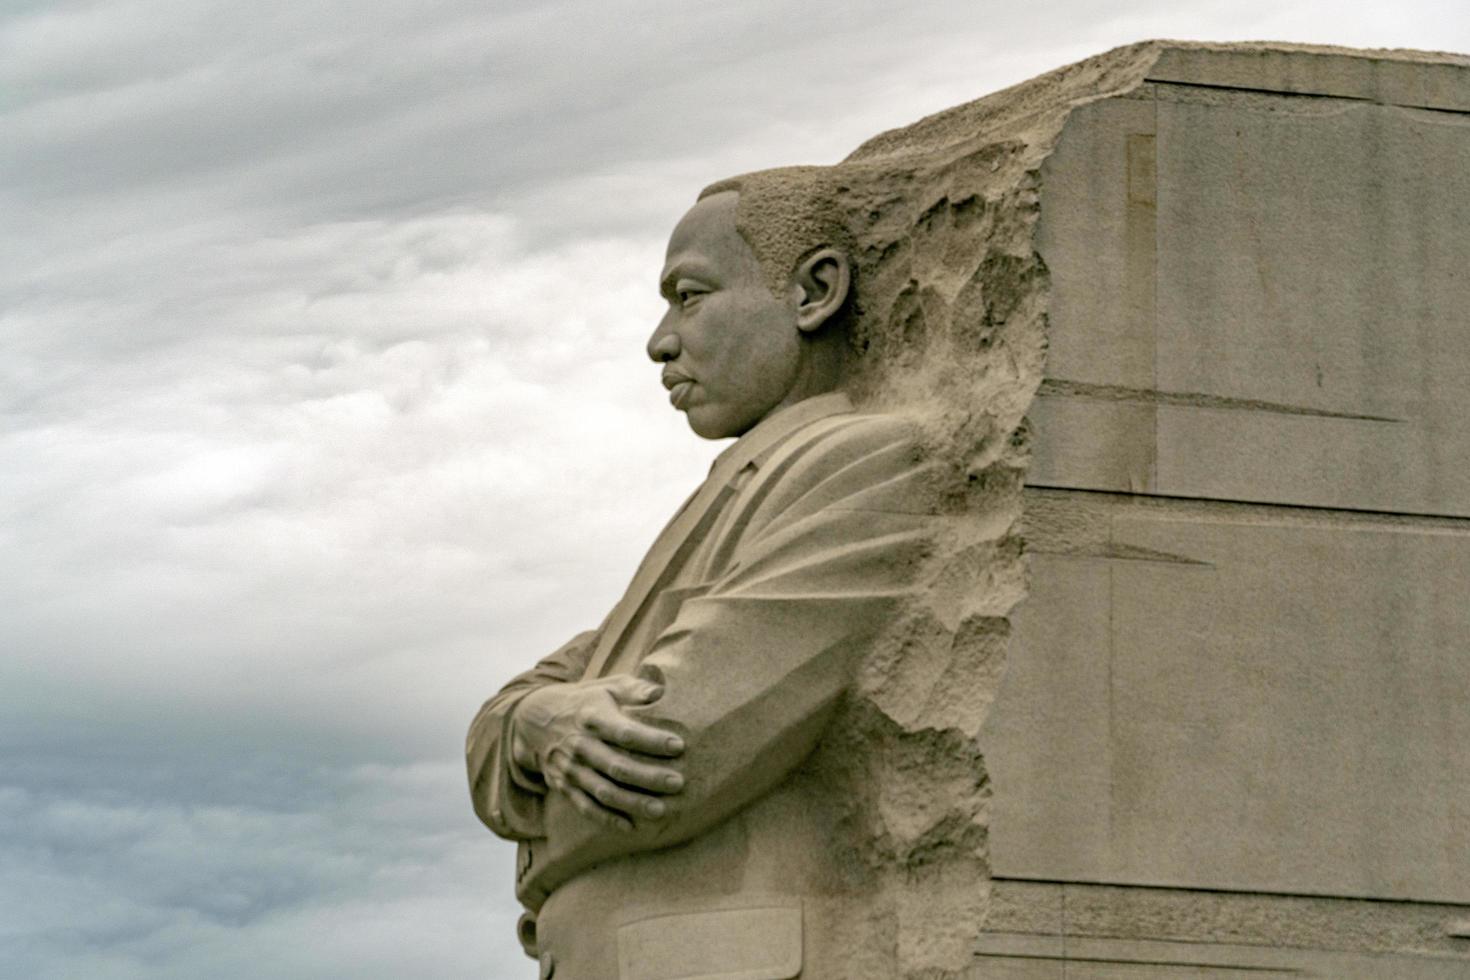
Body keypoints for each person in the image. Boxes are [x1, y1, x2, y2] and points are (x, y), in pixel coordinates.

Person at [467, 171, 940, 979]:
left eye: (690, 296)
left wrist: (533, 770)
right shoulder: (732, 496)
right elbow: (501, 726)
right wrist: (540, 724)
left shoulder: (859, 463)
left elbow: (668, 755)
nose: (660, 339)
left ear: (814, 292)